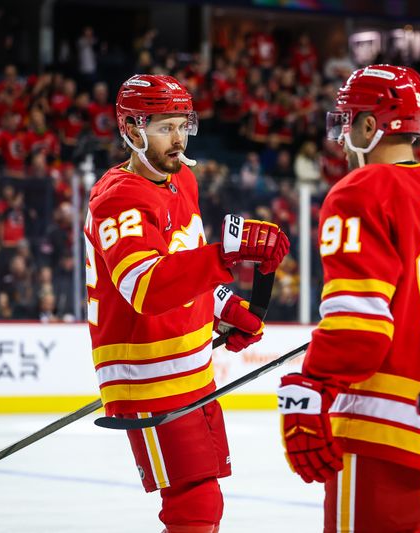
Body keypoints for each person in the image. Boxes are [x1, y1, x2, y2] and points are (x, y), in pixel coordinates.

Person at [84, 74, 289, 533]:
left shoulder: (183, 183)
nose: (178, 139)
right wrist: (223, 256)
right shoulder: (119, 199)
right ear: (132, 130)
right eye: (164, 128)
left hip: (190, 367)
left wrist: (224, 308)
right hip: (148, 374)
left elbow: (183, 272)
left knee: (203, 504)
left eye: (182, 125)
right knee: (194, 506)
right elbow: (146, 286)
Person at [277, 65, 420, 532]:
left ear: (369, 126)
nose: (342, 132)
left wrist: (311, 385)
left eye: (348, 119)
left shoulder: (360, 190)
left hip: (380, 422)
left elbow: (359, 326)